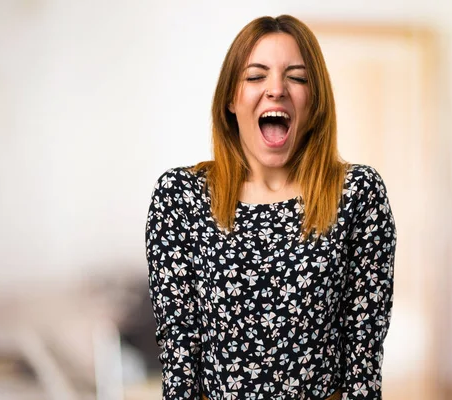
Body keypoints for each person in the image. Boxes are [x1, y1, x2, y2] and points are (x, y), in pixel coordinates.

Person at [145, 15, 397, 400]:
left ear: (315, 102)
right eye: (255, 76)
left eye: (296, 77)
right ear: (231, 99)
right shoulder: (180, 197)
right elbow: (179, 359)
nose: (276, 89)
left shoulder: (357, 194)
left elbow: (363, 355)